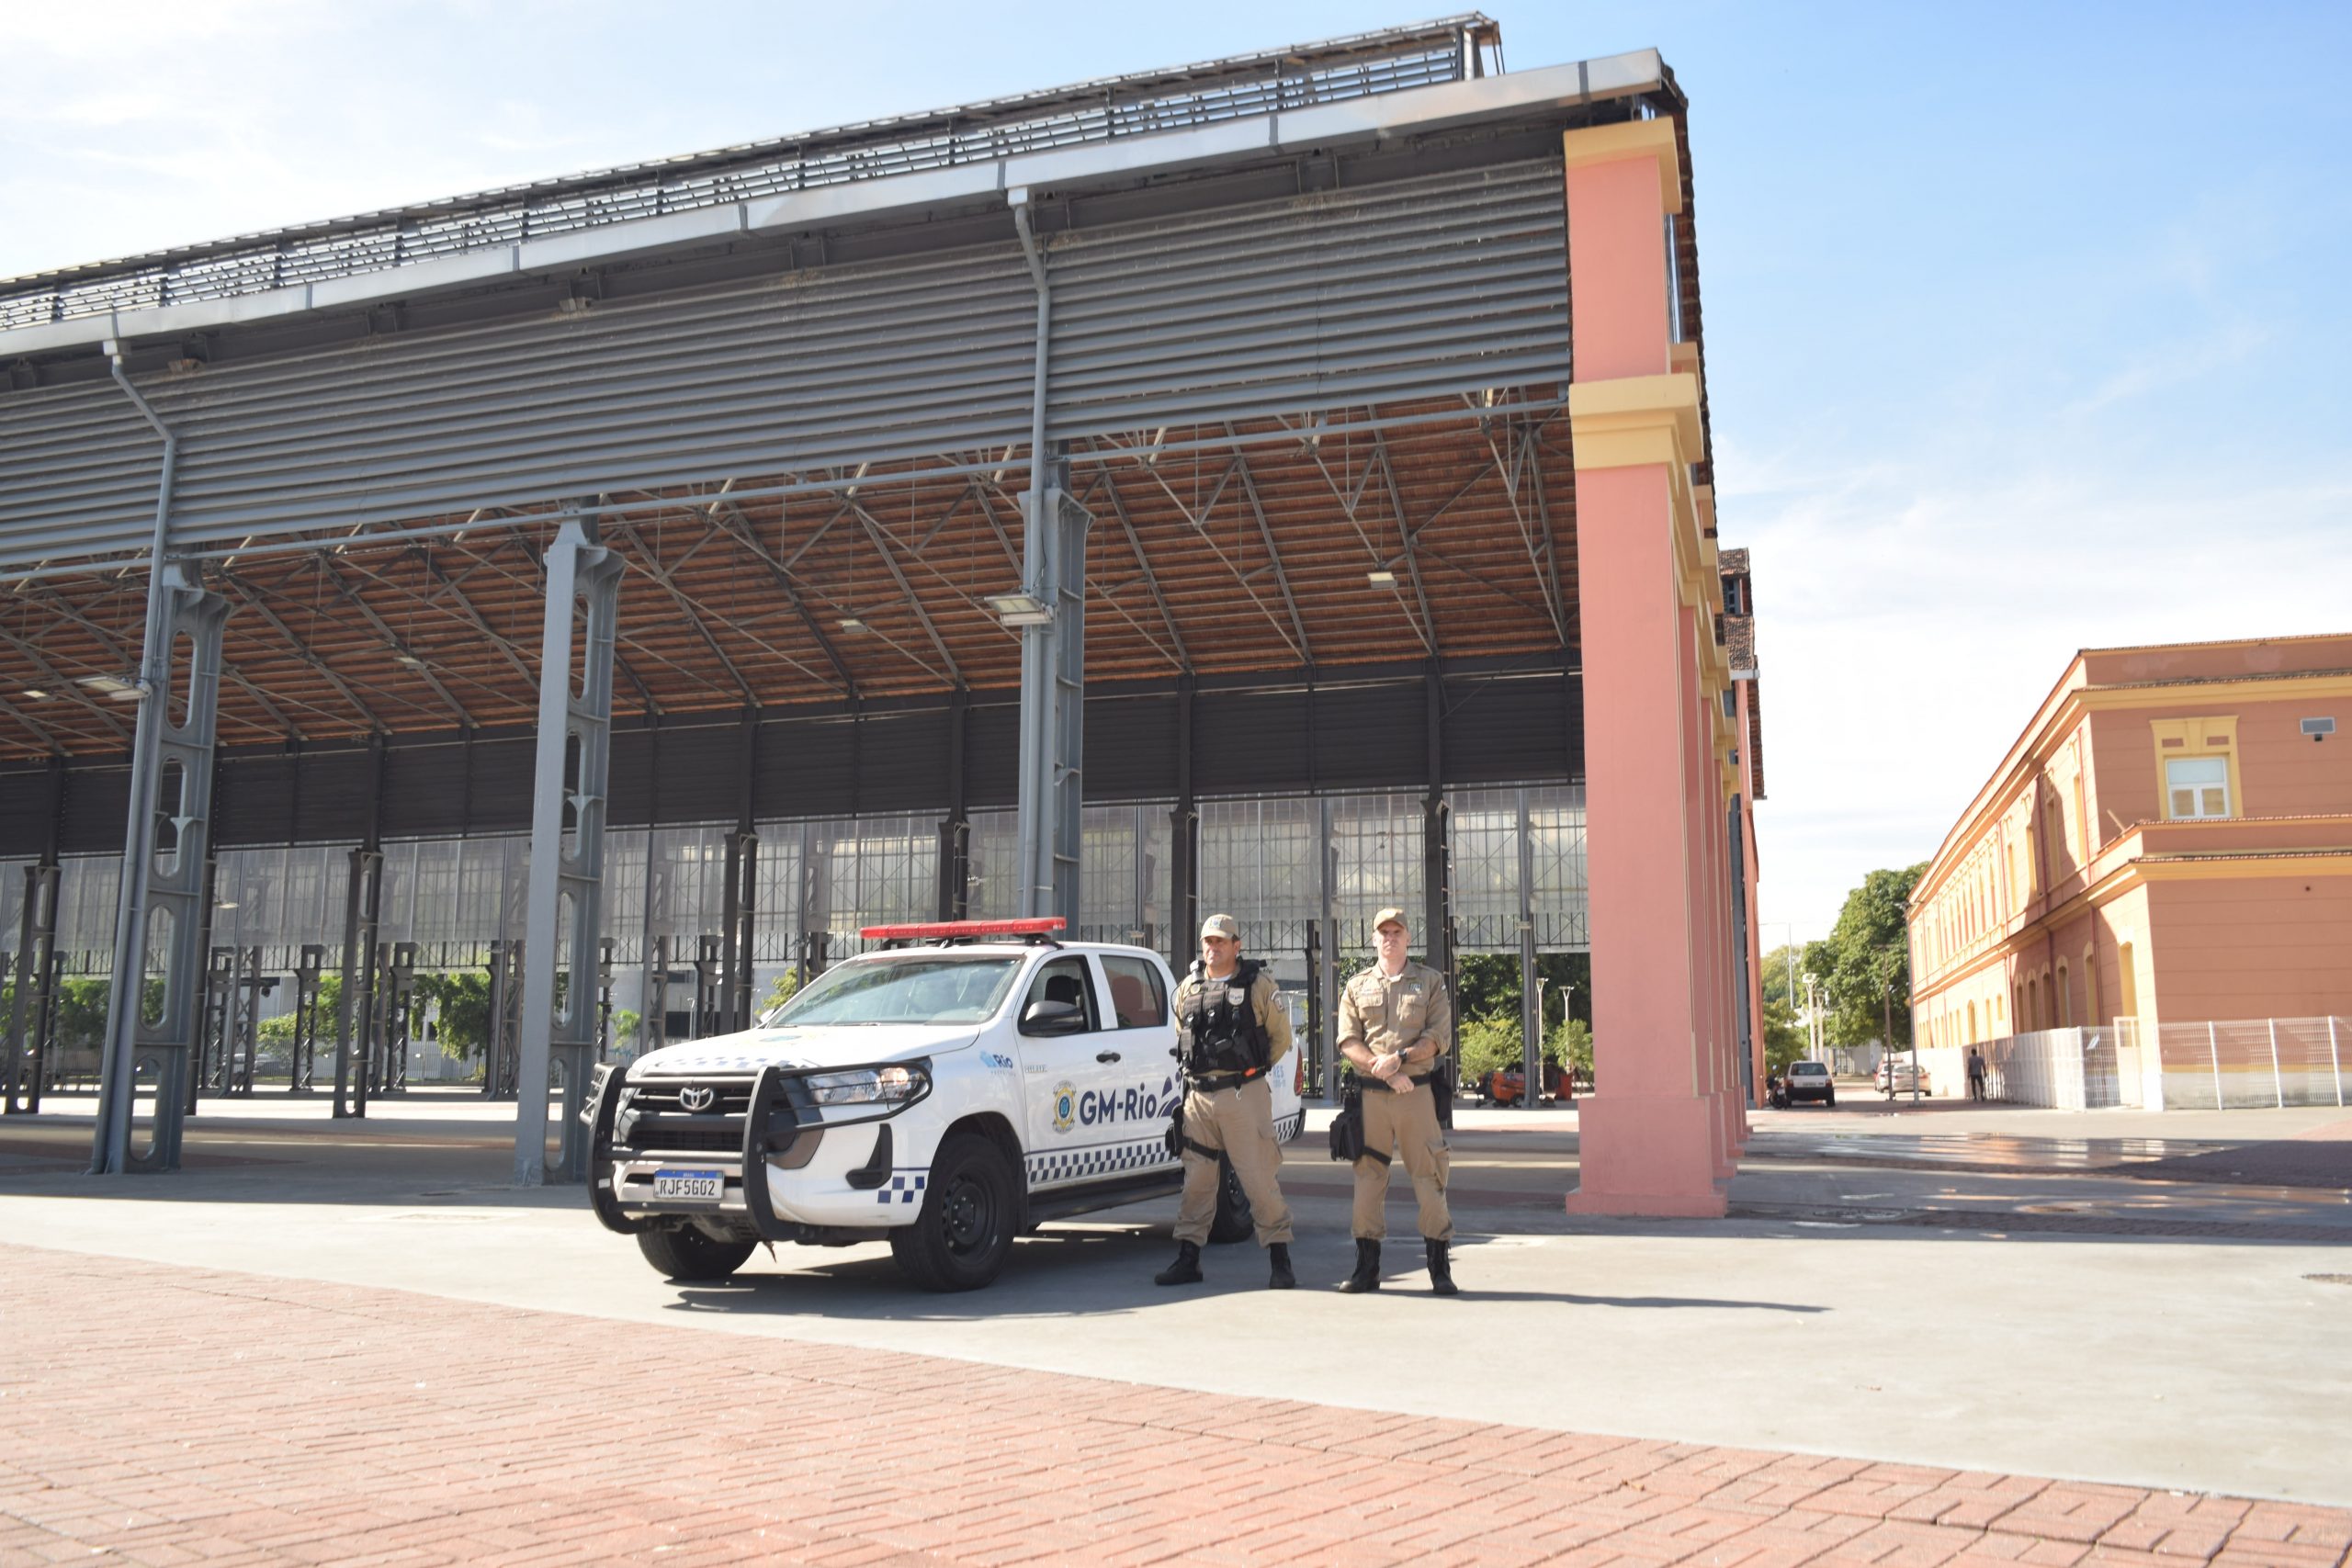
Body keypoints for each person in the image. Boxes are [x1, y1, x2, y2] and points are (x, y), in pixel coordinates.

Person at [1154, 914, 1297, 1290]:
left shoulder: (1259, 986)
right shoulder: (1189, 987)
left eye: (1221, 942)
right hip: (1198, 1099)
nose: (1213, 948)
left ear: (1237, 946)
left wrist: (1250, 1071)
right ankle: (1189, 1259)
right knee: (1197, 1181)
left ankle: (1280, 1259)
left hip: (1242, 1096)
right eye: (1207, 942)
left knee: (1257, 1179)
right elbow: (1181, 1032)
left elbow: (1280, 1038)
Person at [1333, 906, 1456, 1295]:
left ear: (1407, 938)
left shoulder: (1431, 982)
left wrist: (1399, 1059)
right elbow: (1347, 1040)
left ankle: (1439, 1269)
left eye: (1397, 932)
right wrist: (1381, 1067)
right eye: (1383, 932)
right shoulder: (1356, 986)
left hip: (1415, 1095)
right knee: (1368, 1180)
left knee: (1429, 1177)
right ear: (1373, 939)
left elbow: (1438, 1037)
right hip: (1371, 1097)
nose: (1389, 938)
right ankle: (1366, 1270)